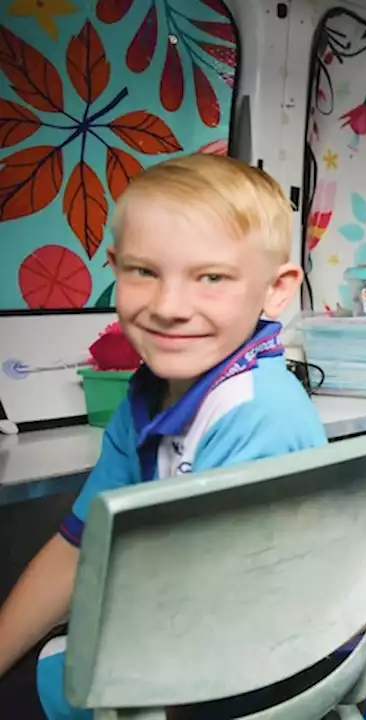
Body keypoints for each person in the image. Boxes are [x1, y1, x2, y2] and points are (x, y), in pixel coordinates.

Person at [0, 154, 325, 719]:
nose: (169, 307)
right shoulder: (149, 395)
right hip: (175, 646)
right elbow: (78, 546)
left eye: (213, 277)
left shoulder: (256, 412)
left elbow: (206, 632)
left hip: (238, 674)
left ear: (276, 290)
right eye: (144, 271)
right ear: (115, 268)